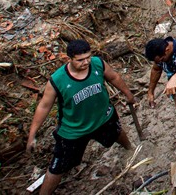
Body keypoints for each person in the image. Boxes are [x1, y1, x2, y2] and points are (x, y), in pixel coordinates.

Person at [26, 40, 136, 195]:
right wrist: (32, 134)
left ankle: (131, 151)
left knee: (117, 132)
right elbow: (44, 106)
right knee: (57, 167)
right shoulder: (58, 80)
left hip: (103, 118)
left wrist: (128, 94)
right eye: (80, 60)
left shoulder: (97, 64)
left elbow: (114, 77)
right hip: (73, 131)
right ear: (69, 58)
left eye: (88, 57)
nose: (86, 62)